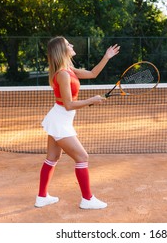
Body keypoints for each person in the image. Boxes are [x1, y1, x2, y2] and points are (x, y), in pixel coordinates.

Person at [35, 36, 120, 209]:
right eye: (68, 44)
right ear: (62, 50)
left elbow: (93, 74)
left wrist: (107, 56)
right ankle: (87, 199)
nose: (71, 45)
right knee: (82, 157)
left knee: (53, 157)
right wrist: (92, 100)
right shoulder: (63, 75)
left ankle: (41, 197)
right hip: (60, 120)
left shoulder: (69, 69)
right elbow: (68, 105)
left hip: (59, 118)